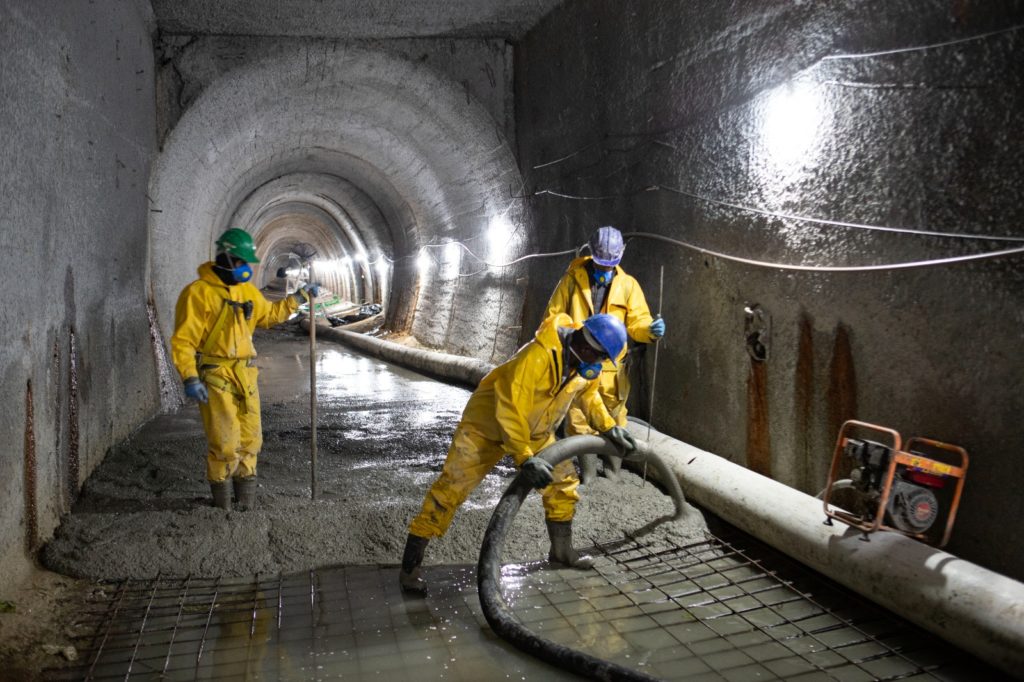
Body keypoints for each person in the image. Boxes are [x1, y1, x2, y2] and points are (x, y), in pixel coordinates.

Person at [399, 312, 636, 593]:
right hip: (485, 428)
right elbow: (509, 410)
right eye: (600, 358)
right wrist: (524, 457)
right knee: (450, 490)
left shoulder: (578, 363)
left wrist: (608, 427)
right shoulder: (535, 358)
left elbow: (587, 394)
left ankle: (561, 551)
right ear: (586, 348)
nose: (599, 365)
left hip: (536, 431)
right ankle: (410, 569)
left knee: (562, 484)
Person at [170, 228, 319, 511]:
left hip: (245, 374)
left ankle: (245, 503)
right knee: (225, 442)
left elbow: (269, 315)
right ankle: (223, 506)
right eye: (241, 262)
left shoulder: (247, 291)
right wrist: (189, 376)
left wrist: (298, 298)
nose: (246, 268)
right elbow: (183, 341)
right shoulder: (197, 294)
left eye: (247, 263)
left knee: (251, 439)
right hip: (217, 374)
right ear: (225, 259)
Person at [544, 226, 665, 482]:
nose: (604, 269)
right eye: (600, 264)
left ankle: (613, 474)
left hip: (612, 367)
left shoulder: (628, 286)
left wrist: (650, 330)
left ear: (621, 256)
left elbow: (638, 321)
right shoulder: (572, 280)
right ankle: (589, 475)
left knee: (614, 418)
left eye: (609, 265)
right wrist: (571, 346)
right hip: (581, 361)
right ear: (591, 253)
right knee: (578, 418)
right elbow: (553, 318)